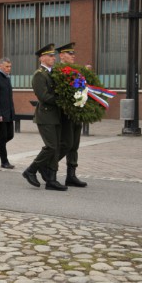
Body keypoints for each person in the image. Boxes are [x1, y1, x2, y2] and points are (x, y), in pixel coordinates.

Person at [23, 44, 67, 191]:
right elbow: (44, 96)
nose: (53, 58)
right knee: (51, 146)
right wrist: (62, 99)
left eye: (53, 56)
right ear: (42, 58)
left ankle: (52, 179)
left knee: (57, 147)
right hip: (46, 115)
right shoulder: (39, 75)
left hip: (56, 115)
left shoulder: (53, 73)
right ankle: (31, 169)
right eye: (50, 56)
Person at [55, 43, 87, 187]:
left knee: (74, 145)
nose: (73, 55)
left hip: (76, 112)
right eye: (70, 53)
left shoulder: (77, 71)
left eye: (74, 53)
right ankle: (48, 166)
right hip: (64, 114)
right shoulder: (57, 71)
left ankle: (71, 175)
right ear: (61, 55)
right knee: (66, 144)